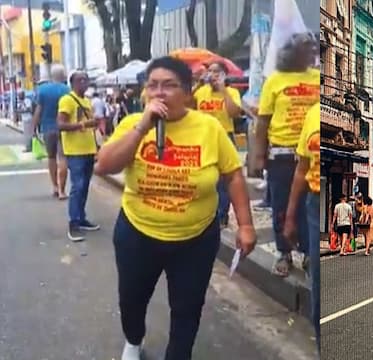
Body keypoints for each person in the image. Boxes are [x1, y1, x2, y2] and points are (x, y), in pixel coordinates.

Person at [93, 56, 257, 360]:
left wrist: (245, 224)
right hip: (137, 234)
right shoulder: (132, 124)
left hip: (195, 239)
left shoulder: (208, 128)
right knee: (132, 299)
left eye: (169, 86)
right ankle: (134, 340)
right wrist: (143, 126)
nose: (159, 93)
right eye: (152, 86)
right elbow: (103, 165)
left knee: (187, 307)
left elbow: (233, 174)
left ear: (188, 92)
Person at [255, 32, 319, 277]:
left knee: (306, 206)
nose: (311, 52)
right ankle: (284, 252)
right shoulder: (275, 80)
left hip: (311, 154)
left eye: (313, 48)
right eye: (306, 48)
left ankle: (307, 251)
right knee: (282, 207)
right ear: (291, 52)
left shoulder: (317, 77)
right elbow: (262, 122)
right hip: (281, 156)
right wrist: (258, 157)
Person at [282, 102, 320, 354]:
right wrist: (290, 216)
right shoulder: (312, 113)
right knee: (317, 292)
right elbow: (301, 169)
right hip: (312, 204)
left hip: (315, 203)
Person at [193, 61, 243, 227]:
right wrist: (197, 84)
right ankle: (205, 212)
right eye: (210, 71)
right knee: (203, 175)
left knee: (223, 180)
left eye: (217, 72)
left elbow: (234, 113)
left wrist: (223, 91)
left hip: (224, 137)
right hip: (202, 137)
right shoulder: (201, 91)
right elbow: (185, 104)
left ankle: (221, 216)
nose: (212, 75)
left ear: (224, 75)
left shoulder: (232, 92)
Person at [57, 70, 100, 242]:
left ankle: (81, 219)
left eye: (86, 80)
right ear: (72, 83)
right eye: (80, 80)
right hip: (75, 151)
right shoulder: (67, 100)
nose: (84, 83)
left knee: (84, 187)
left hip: (88, 149)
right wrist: (83, 124)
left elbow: (89, 127)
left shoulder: (86, 101)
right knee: (77, 187)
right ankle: (73, 224)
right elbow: (60, 125)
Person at [33, 65, 70, 199]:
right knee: (63, 158)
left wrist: (34, 128)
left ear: (51, 76)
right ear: (63, 75)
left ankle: (54, 186)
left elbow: (38, 110)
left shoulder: (42, 90)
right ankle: (62, 190)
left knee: (51, 157)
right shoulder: (68, 90)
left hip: (47, 128)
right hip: (64, 128)